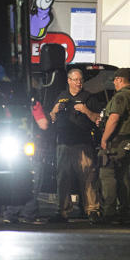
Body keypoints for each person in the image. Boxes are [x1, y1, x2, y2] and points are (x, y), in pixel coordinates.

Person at [48, 68, 102, 223]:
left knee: (88, 177)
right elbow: (51, 117)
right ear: (69, 80)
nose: (79, 83)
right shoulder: (62, 97)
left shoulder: (89, 98)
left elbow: (98, 119)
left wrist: (86, 110)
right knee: (63, 178)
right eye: (76, 79)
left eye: (81, 80)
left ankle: (92, 210)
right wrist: (55, 111)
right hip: (64, 143)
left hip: (83, 143)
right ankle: (62, 211)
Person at [98, 67, 130, 224]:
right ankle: (125, 212)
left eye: (115, 80)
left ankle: (109, 212)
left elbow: (114, 118)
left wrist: (104, 138)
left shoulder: (121, 96)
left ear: (119, 80)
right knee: (124, 177)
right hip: (129, 142)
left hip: (117, 142)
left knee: (107, 174)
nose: (114, 83)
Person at [2, 98, 51, 225]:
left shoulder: (5, 104)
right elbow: (43, 124)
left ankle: (11, 213)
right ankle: (29, 214)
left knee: (14, 181)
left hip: (11, 149)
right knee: (33, 181)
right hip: (30, 149)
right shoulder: (33, 104)